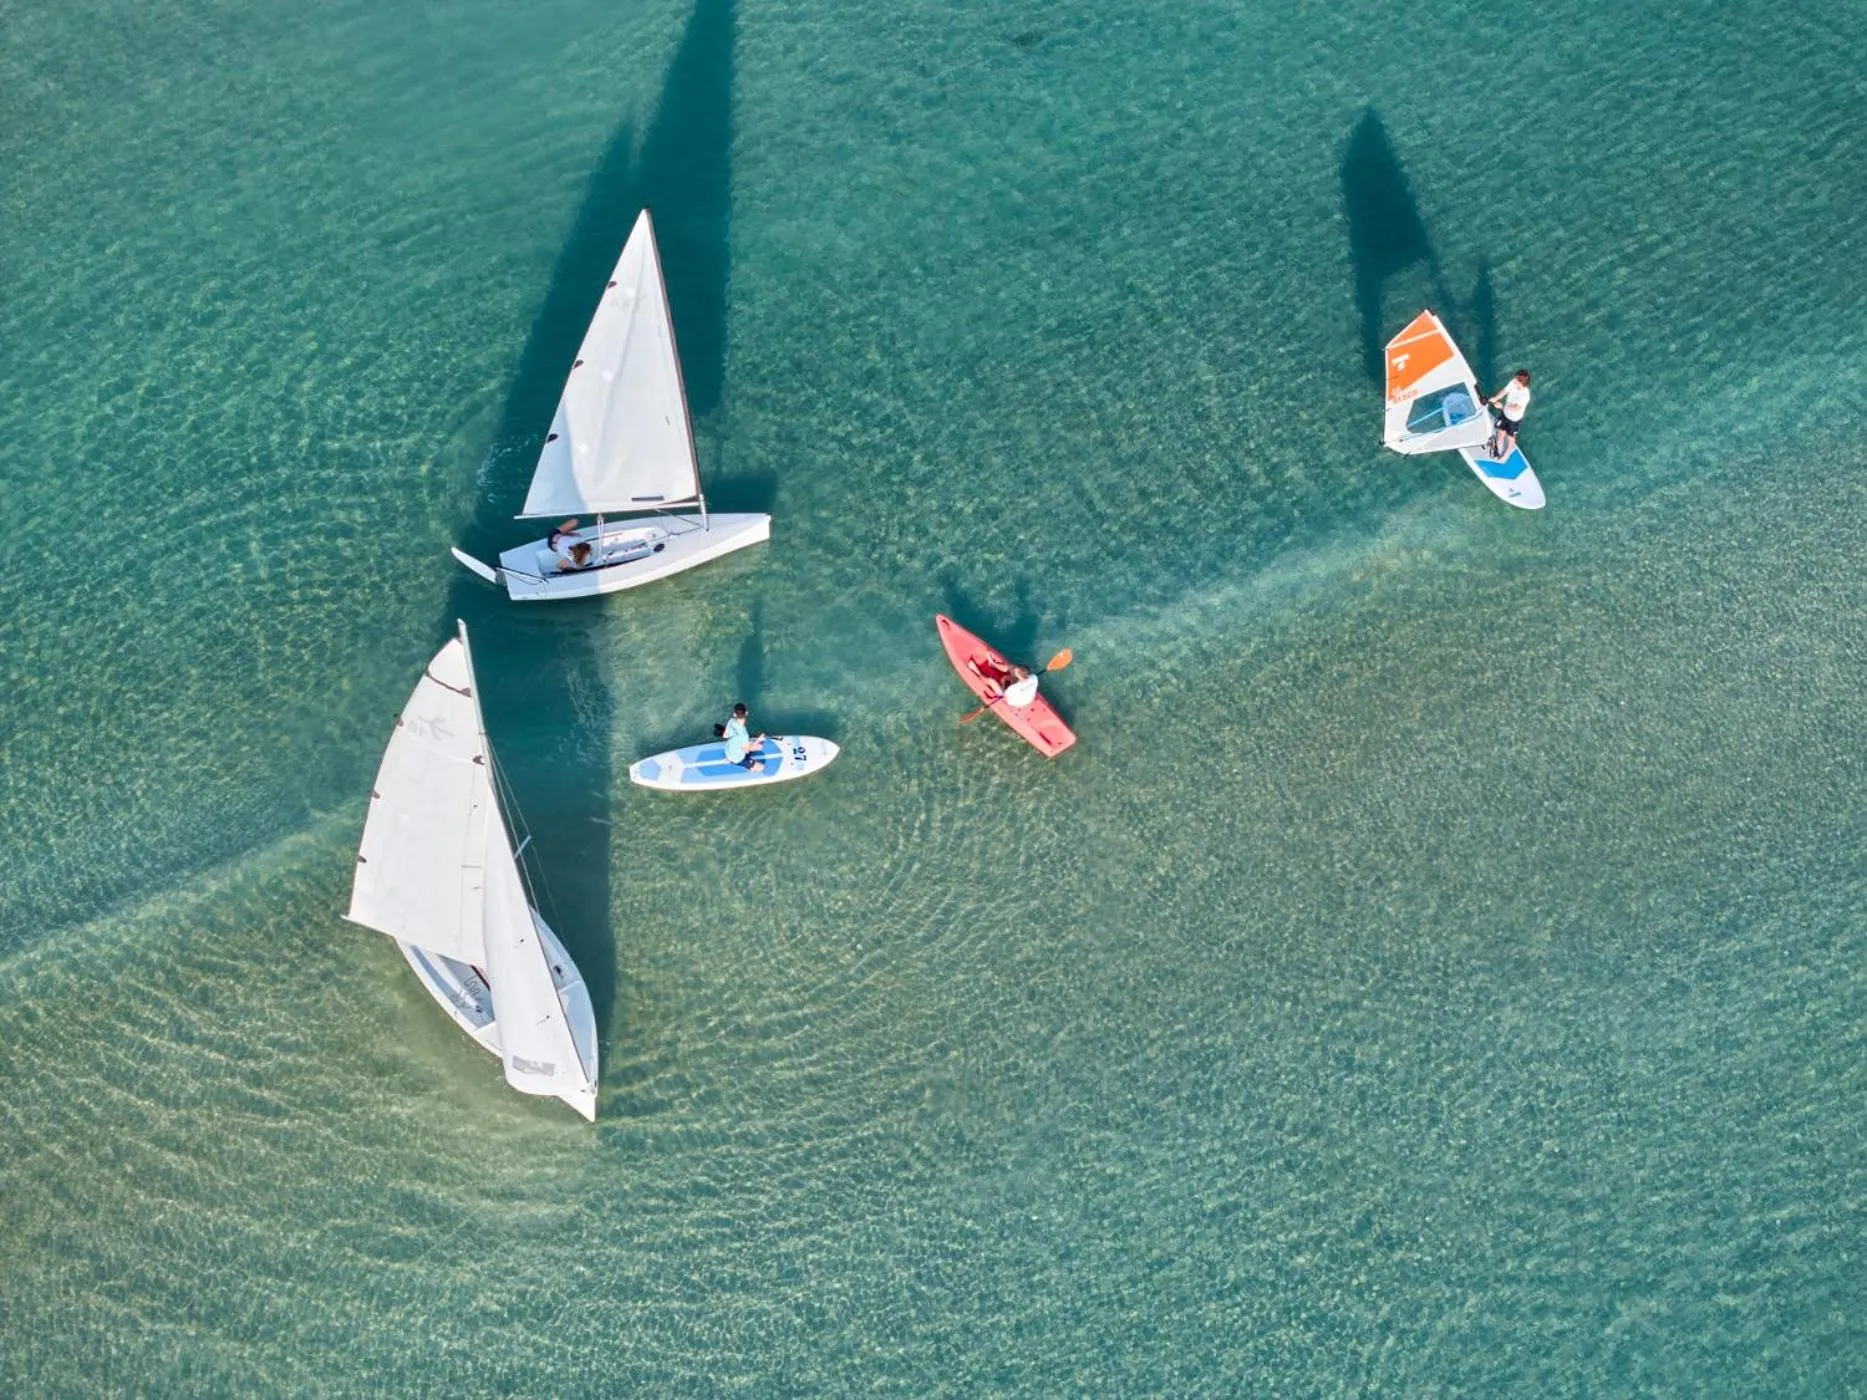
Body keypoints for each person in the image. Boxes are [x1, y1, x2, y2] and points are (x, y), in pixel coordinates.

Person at [1485, 369, 1532, 460]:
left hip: (1514, 419)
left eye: (1516, 380)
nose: (1514, 380)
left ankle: (1507, 453)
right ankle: (1497, 447)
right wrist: (1496, 398)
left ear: (1521, 383)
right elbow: (1504, 391)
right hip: (1505, 414)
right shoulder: (1513, 383)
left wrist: (1502, 407)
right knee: (1501, 432)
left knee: (1510, 437)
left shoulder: (1525, 395)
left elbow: (1516, 408)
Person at [720, 702, 767, 769]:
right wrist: (758, 741)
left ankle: (728, 759)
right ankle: (748, 767)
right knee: (762, 767)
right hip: (737, 759)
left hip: (728, 751)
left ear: (734, 714)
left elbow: (725, 736)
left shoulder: (731, 721)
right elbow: (746, 750)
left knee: (749, 743)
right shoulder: (744, 735)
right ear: (746, 712)